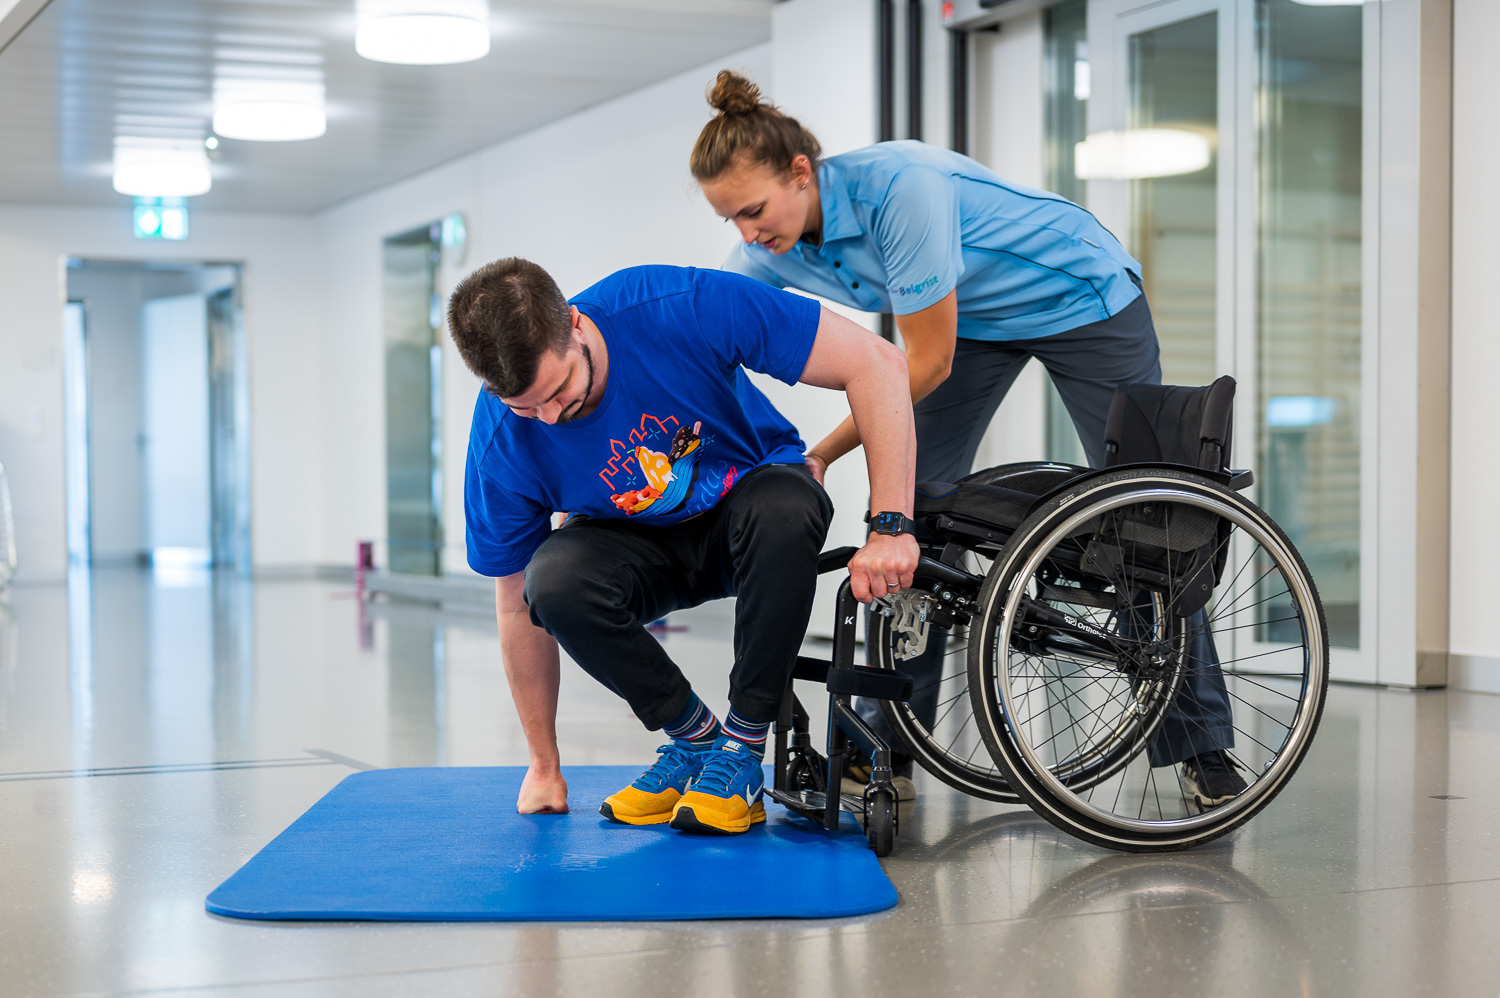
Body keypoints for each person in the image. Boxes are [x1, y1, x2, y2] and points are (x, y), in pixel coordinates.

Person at [688, 70, 1245, 809]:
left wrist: (820, 453)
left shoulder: (900, 188)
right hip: (974, 324)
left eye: (754, 211)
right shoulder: (771, 246)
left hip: (1082, 297)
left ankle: (1201, 747)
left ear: (801, 171)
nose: (750, 235)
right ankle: (894, 736)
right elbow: (706, 330)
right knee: (913, 511)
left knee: (1149, 523)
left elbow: (922, 363)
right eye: (732, 222)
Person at [448, 258, 919, 835]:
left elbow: (878, 362)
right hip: (637, 550)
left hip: (749, 510)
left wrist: (892, 526)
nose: (548, 417)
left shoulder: (674, 305)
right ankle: (698, 743)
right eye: (526, 405)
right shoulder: (502, 439)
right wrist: (543, 765)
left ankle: (743, 752)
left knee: (786, 503)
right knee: (552, 582)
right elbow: (514, 603)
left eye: (561, 389)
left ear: (574, 324)